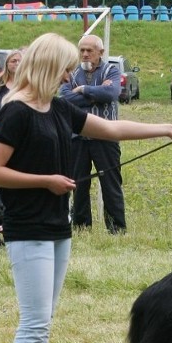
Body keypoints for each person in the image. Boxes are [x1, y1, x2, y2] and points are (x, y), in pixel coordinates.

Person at [0, 33, 172, 343]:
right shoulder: (17, 113)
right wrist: (46, 181)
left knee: (43, 320)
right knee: (34, 322)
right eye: (64, 66)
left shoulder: (58, 107)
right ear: (48, 66)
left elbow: (111, 130)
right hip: (28, 228)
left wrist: (165, 127)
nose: (69, 73)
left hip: (57, 228)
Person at [59, 34, 126, 233]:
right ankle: (81, 227)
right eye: (82, 50)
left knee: (111, 184)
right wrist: (95, 94)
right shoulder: (71, 73)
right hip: (77, 138)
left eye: (90, 50)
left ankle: (116, 227)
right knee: (78, 184)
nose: (85, 54)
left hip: (106, 137)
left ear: (101, 52)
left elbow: (112, 94)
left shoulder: (111, 70)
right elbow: (66, 99)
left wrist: (83, 89)